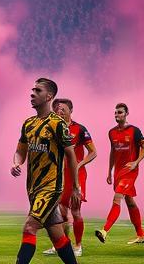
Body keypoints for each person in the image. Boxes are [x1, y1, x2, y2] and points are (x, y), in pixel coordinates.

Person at [11, 78, 81, 264]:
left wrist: (75, 187)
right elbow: (20, 151)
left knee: (29, 227)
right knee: (57, 235)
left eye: (38, 90)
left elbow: (71, 155)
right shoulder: (28, 124)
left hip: (50, 187)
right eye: (32, 89)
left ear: (49, 96)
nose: (32, 93)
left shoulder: (58, 124)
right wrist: (16, 163)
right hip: (33, 188)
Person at [44, 98, 95, 257]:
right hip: (58, 175)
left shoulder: (79, 129)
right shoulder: (52, 128)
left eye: (63, 109)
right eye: (57, 109)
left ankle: (78, 246)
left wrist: (79, 165)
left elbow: (93, 152)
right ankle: (62, 245)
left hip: (76, 176)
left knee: (75, 210)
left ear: (70, 110)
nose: (60, 111)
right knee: (60, 212)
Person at [95, 102, 144, 245]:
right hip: (118, 172)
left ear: (126, 113)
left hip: (130, 171)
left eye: (120, 112)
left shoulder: (134, 131)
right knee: (130, 202)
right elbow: (113, 152)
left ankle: (104, 231)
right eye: (116, 112)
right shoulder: (111, 132)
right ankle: (141, 235)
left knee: (117, 198)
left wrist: (136, 162)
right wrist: (109, 171)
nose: (117, 115)